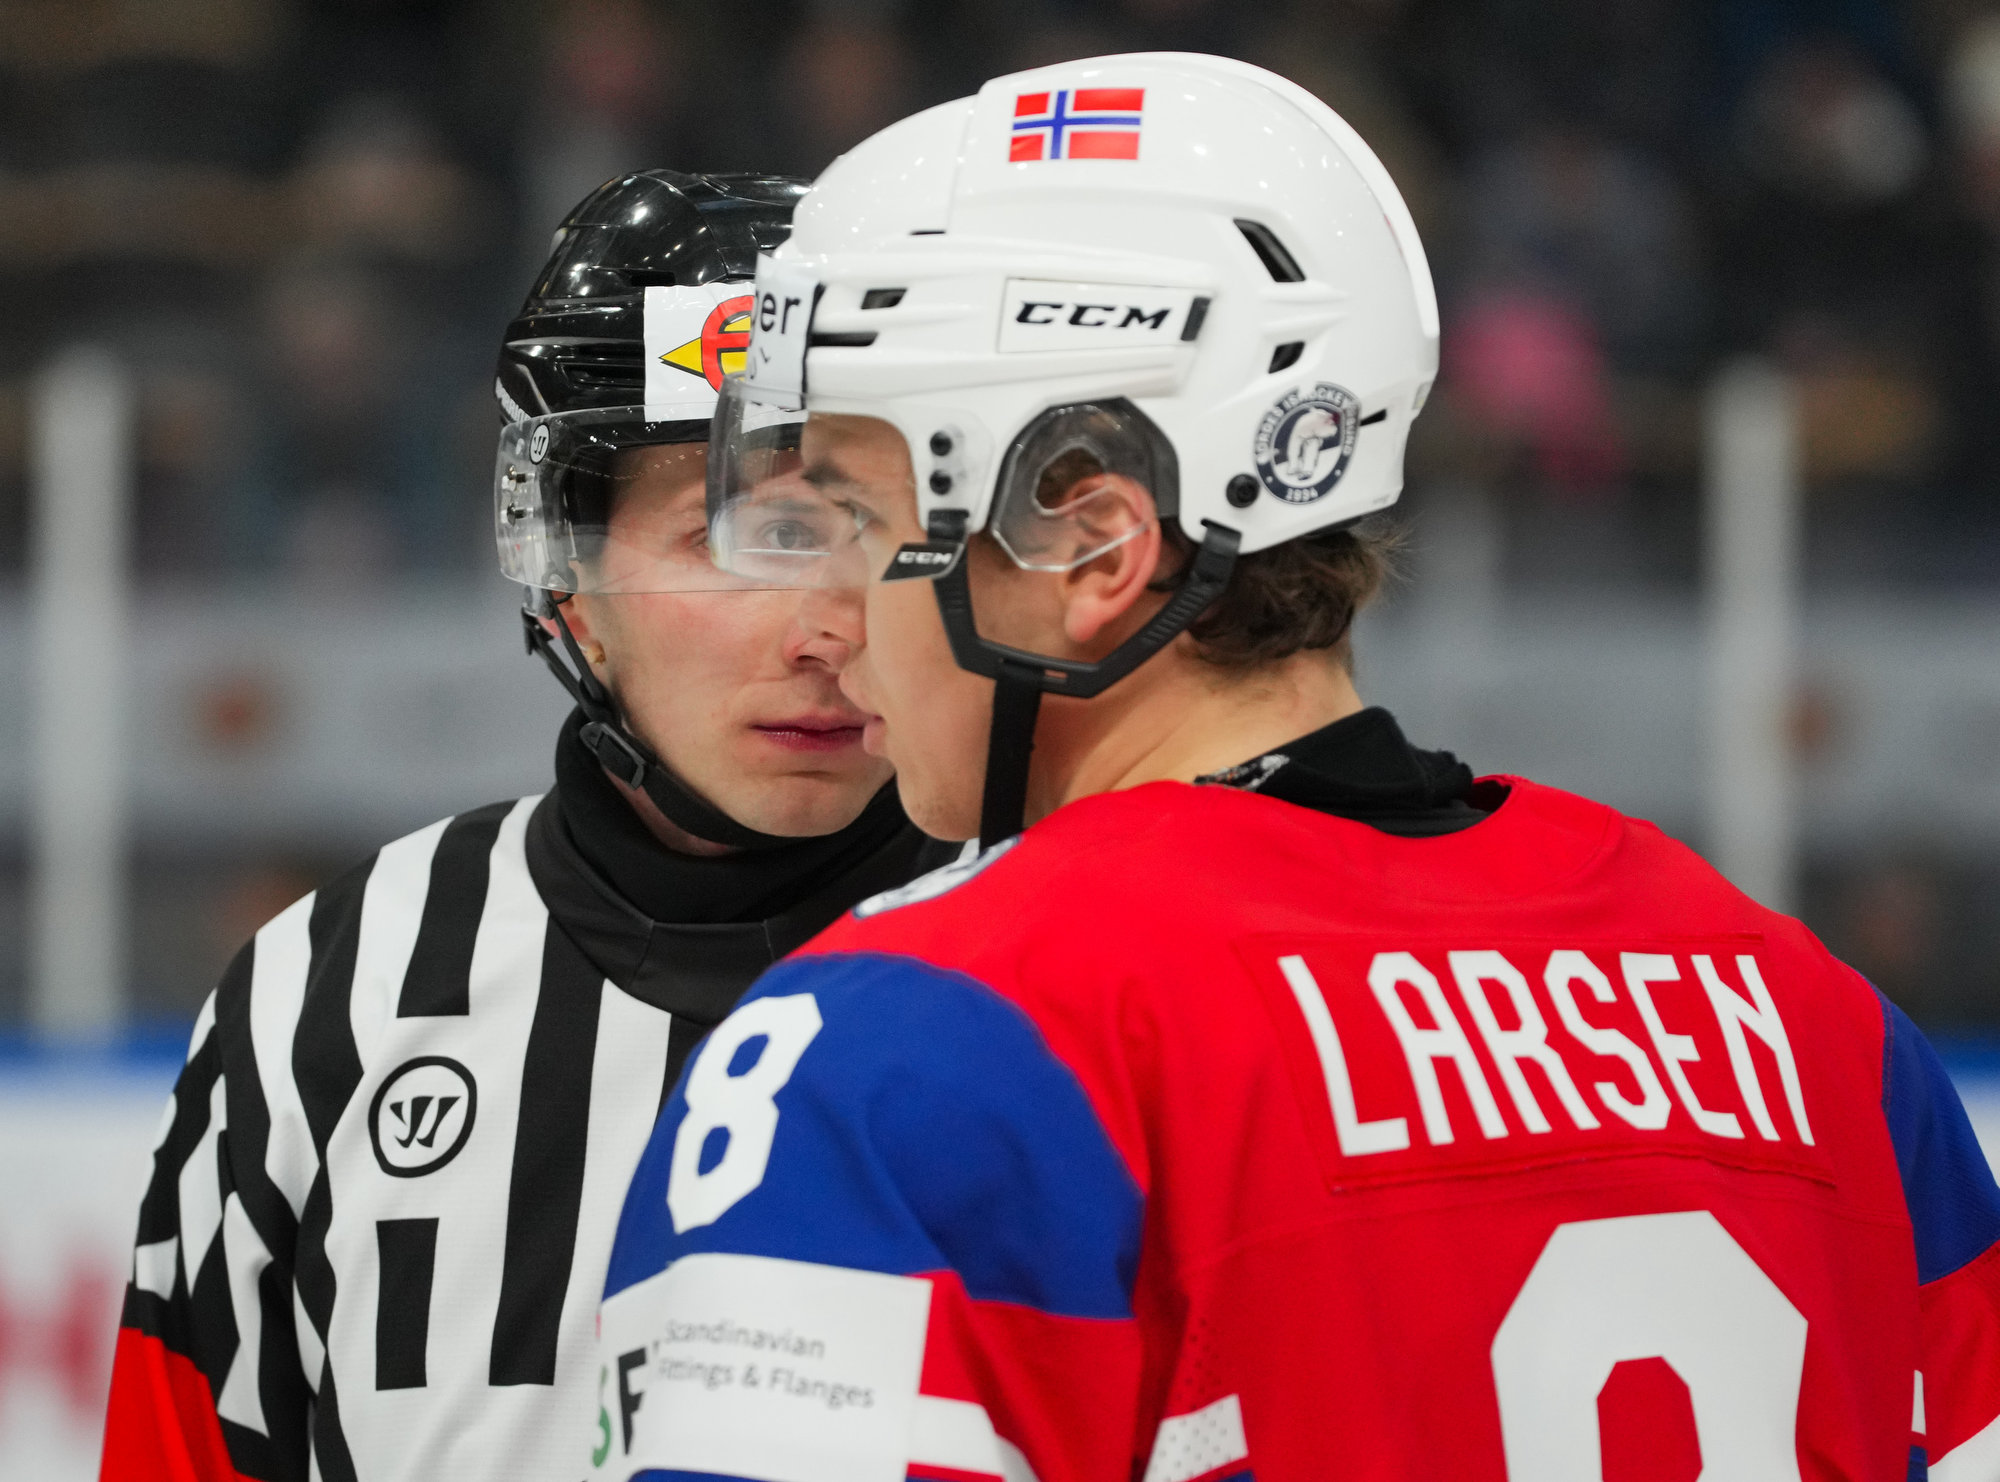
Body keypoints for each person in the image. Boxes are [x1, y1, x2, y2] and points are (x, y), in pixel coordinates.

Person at [593, 56, 2000, 1482]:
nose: (826, 618)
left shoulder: (899, 1054)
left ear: (1096, 547)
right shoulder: (1815, 1022)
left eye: (853, 511)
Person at [99, 170, 955, 1482]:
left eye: (872, 526)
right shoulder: (326, 998)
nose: (829, 625)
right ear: (571, 576)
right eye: (751, 531)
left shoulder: (1096, 979)